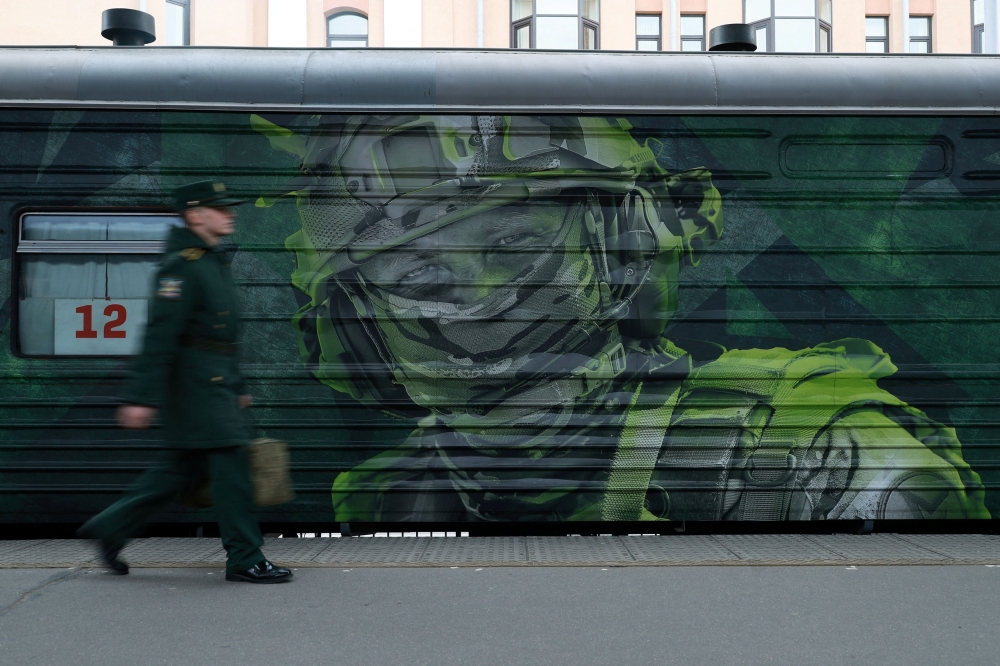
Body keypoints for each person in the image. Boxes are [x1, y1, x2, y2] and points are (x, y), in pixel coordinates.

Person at [255, 114, 989, 523]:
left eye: (513, 243)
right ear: (351, 325)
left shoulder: (807, 446)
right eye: (420, 272)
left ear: (621, 243)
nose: (475, 298)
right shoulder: (388, 489)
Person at [78, 180, 293, 583]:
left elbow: (220, 338)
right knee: (232, 473)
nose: (230, 213)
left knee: (178, 471)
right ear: (195, 215)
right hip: (197, 389)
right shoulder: (183, 264)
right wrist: (140, 396)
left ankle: (110, 526)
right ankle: (246, 557)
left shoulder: (210, 259)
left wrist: (237, 385)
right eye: (220, 208)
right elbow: (161, 333)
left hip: (214, 385)